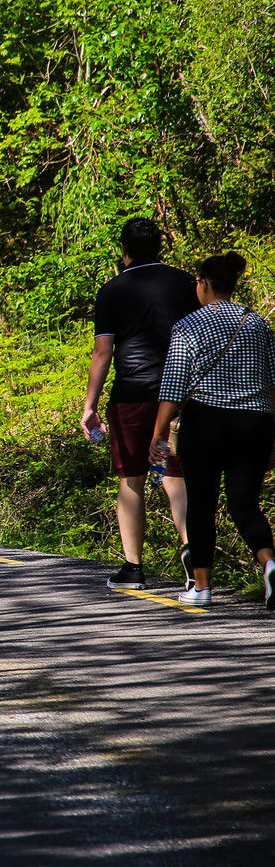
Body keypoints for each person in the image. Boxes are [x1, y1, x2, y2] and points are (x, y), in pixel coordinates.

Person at [149, 253, 275, 608]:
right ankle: (269, 562)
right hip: (255, 421)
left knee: (201, 504)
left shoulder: (188, 326)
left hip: (206, 422)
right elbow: (274, 383)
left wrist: (158, 434)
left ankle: (201, 587)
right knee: (245, 504)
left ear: (203, 283)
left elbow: (173, 388)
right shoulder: (257, 324)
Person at [81, 217, 197, 589]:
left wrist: (90, 405)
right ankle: (192, 554)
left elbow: (103, 353)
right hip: (182, 394)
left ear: (123, 249)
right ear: (161, 245)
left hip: (131, 394)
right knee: (176, 476)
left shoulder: (112, 289)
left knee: (131, 478)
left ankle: (133, 568)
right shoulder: (188, 284)